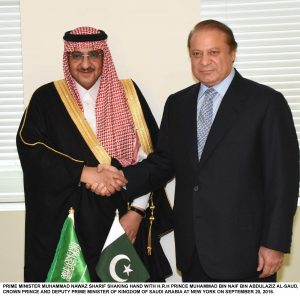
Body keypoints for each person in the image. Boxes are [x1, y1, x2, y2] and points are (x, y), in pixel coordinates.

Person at [96, 19, 299, 282]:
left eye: (214, 52)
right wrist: (119, 178)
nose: (204, 61)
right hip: (193, 252)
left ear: (233, 53)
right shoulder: (178, 103)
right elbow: (164, 162)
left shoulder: (266, 103)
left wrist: (274, 243)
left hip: (246, 252)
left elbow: (283, 180)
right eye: (196, 53)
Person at [17, 26, 173, 282]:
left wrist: (137, 212)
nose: (86, 64)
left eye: (94, 55)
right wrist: (83, 172)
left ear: (105, 57)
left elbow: (157, 159)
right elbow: (31, 151)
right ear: (67, 59)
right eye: (77, 56)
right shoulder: (46, 99)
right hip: (69, 229)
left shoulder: (128, 94)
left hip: (122, 222)